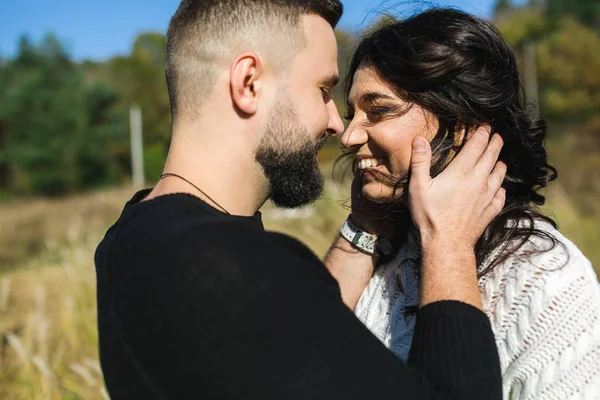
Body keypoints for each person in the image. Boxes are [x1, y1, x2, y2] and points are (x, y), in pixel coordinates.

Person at [95, 1, 507, 399]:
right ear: (249, 83)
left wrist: (364, 229)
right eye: (324, 90)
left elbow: (299, 347)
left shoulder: (129, 237)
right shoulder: (229, 266)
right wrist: (448, 238)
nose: (336, 124)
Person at [325, 8, 600, 400]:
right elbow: (291, 366)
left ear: (462, 126)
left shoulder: (544, 275)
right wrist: (363, 227)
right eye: (353, 114)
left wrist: (447, 240)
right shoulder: (384, 250)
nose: (349, 136)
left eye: (379, 110)